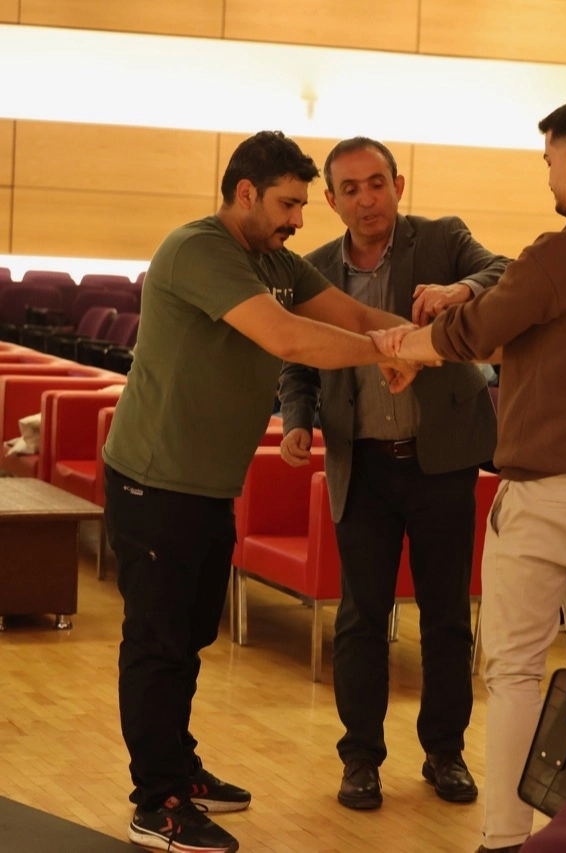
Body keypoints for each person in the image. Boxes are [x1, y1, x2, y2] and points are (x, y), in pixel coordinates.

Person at [101, 131, 420, 853]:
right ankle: (156, 801)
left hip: (210, 484)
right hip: (155, 480)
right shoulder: (198, 249)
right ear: (244, 193)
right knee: (157, 643)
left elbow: (353, 315)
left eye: (302, 205)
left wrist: (424, 342)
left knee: (189, 638)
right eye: (287, 204)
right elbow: (290, 340)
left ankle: (178, 766)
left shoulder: (274, 260)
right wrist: (384, 356)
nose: (299, 220)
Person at [368, 96, 566, 853]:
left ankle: (504, 837)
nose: (549, 178)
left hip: (547, 497)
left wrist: (404, 346)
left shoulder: (564, 251)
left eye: (548, 163)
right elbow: (529, 338)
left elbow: (477, 330)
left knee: (514, 673)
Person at [276, 137, 510, 812]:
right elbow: (298, 361)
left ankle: (445, 752)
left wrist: (460, 290)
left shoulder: (442, 240)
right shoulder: (313, 269)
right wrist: (298, 419)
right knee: (360, 619)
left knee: (446, 617)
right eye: (349, 189)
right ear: (331, 200)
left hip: (442, 464)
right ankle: (360, 759)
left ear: (398, 185)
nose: (366, 199)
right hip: (362, 467)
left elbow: (504, 272)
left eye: (376, 183)